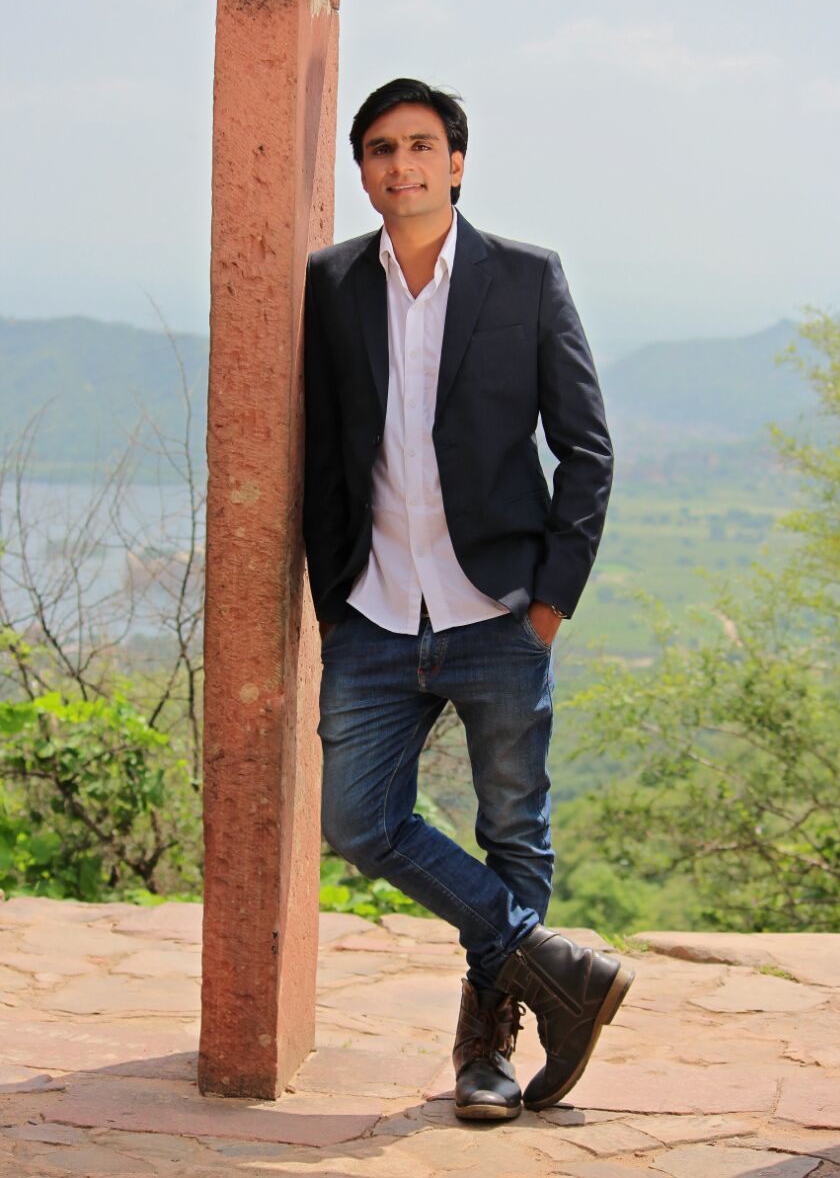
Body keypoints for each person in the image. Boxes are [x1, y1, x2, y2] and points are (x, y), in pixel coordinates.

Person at [302, 77, 633, 1122]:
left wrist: (550, 603)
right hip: (373, 610)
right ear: (363, 171)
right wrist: (332, 596)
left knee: (512, 830)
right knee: (358, 821)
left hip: (497, 606)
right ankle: (558, 966)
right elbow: (323, 450)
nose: (399, 164)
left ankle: (486, 1048)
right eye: (380, 149)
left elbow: (586, 449)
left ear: (455, 161)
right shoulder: (331, 282)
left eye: (419, 145)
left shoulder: (525, 277)